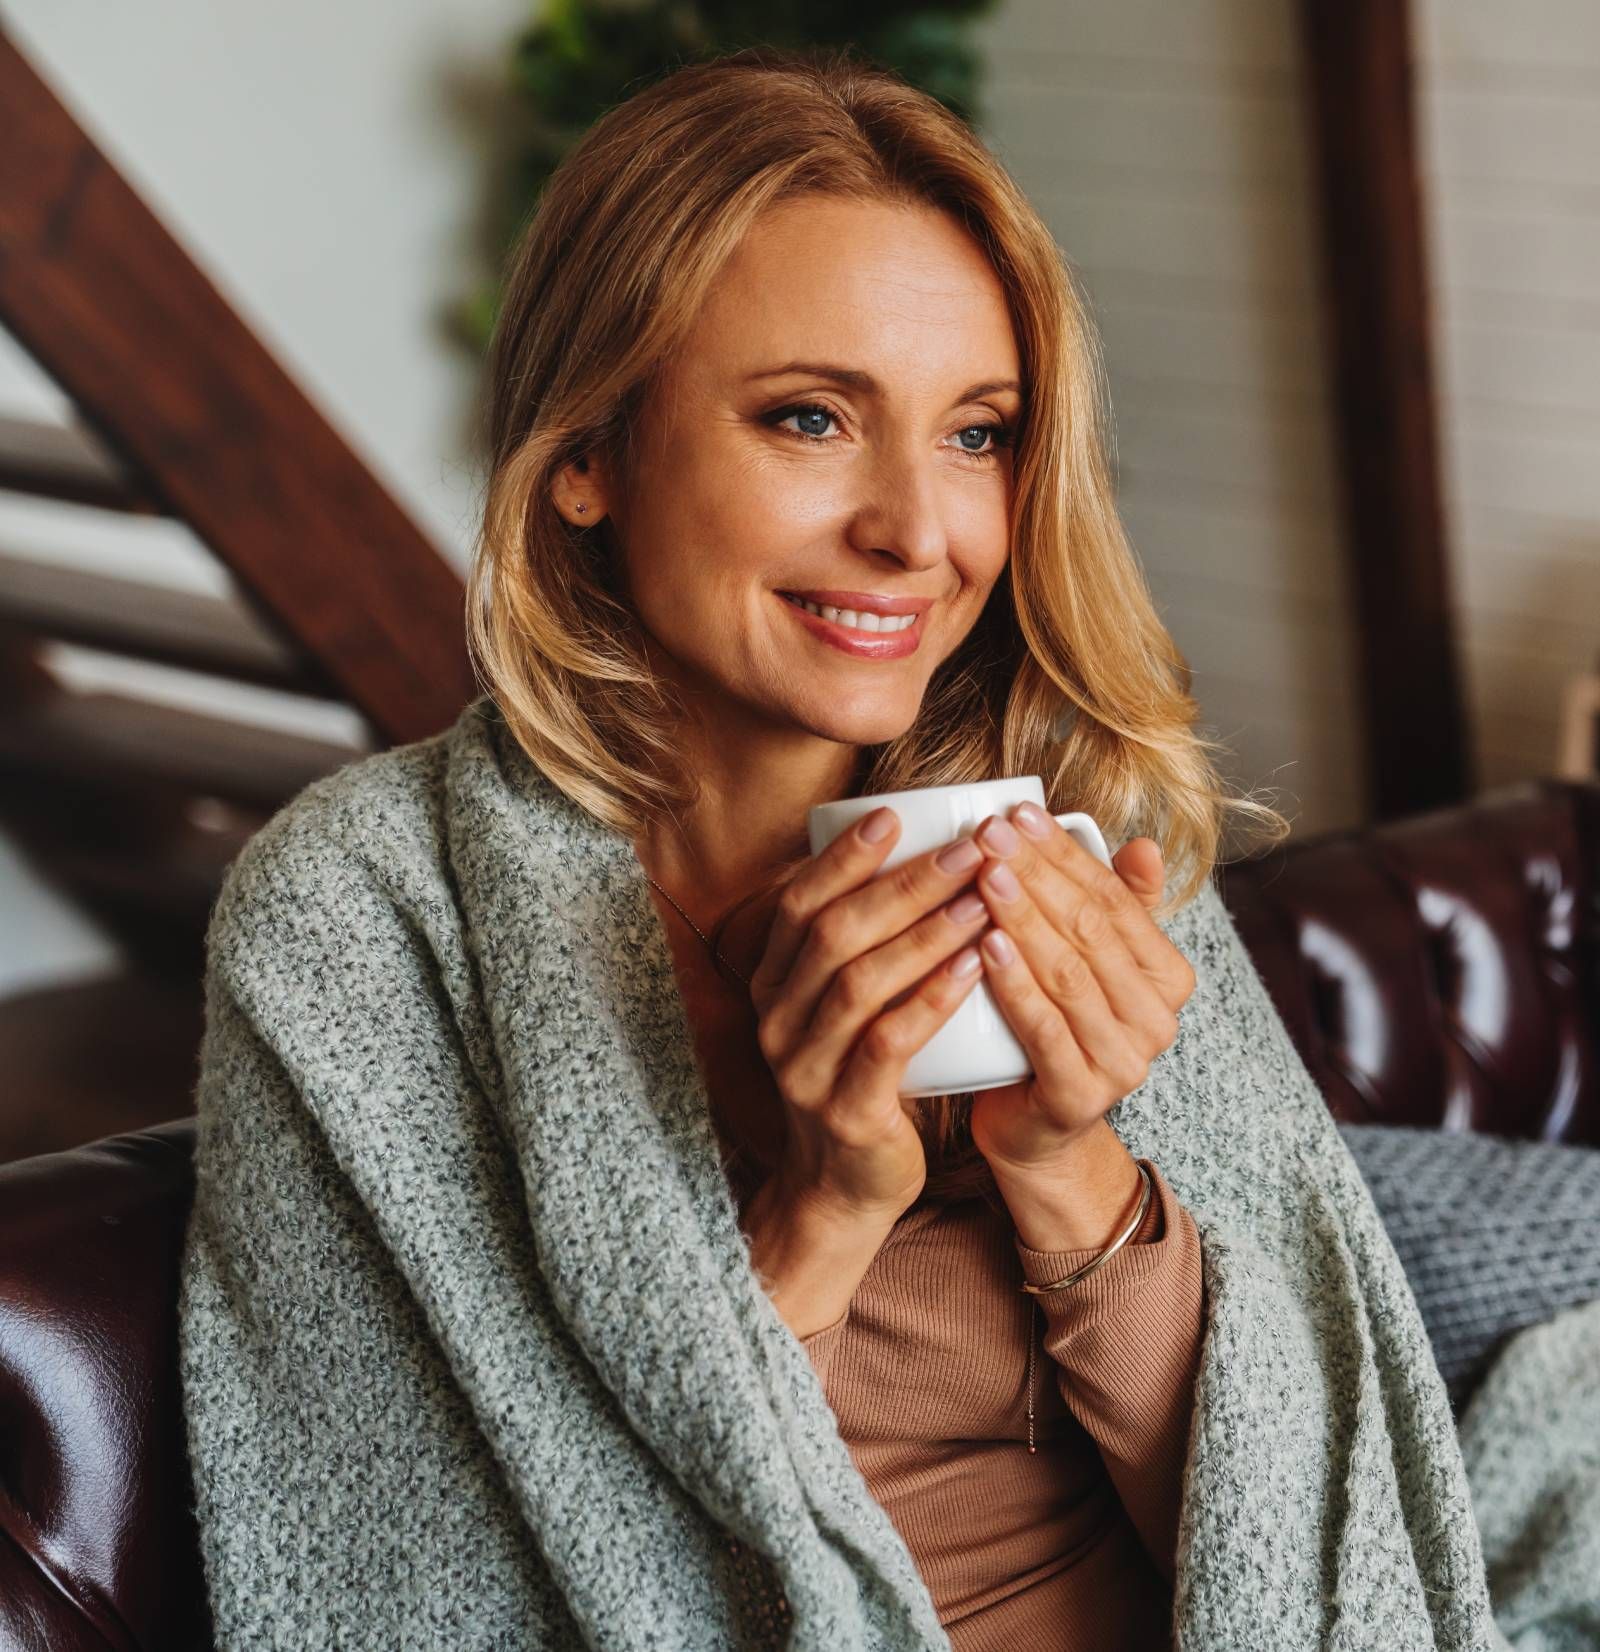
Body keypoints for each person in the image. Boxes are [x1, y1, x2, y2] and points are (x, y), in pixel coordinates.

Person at [180, 43, 1517, 1652]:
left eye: (978, 434)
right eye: (811, 419)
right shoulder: (365, 922)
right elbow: (431, 1575)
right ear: (587, 453)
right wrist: (826, 1210)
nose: (918, 532)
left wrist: (1066, 1168)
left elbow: (1313, 1553)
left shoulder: (1068, 814)